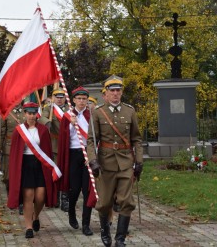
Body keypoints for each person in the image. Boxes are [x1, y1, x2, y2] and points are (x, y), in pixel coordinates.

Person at [87, 75, 143, 247]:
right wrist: (93, 161)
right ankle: (105, 231)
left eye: (118, 90)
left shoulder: (130, 111)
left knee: (127, 202)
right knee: (104, 203)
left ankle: (120, 239)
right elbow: (91, 140)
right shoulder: (97, 112)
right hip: (105, 163)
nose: (116, 94)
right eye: (112, 91)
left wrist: (139, 161)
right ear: (106, 93)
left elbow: (136, 139)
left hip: (126, 162)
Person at [7, 102, 58, 239]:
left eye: (33, 113)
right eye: (29, 113)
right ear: (25, 114)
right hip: (26, 165)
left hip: (40, 165)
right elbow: (15, 153)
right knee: (28, 196)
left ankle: (36, 216)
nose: (31, 116)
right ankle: (29, 227)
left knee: (41, 196)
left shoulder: (43, 130)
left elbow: (48, 151)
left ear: (37, 114)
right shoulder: (19, 131)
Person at [57, 87, 95, 236]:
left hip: (87, 154)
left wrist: (92, 157)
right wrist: (71, 125)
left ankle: (86, 224)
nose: (81, 101)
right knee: (74, 189)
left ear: (87, 100)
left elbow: (95, 137)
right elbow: (63, 138)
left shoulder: (91, 115)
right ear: (73, 100)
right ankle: (71, 212)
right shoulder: (67, 116)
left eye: (84, 99)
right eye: (79, 99)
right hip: (73, 154)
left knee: (87, 190)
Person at [39, 87, 70, 211]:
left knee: (66, 171)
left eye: (62, 97)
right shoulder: (49, 109)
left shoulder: (70, 109)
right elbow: (41, 118)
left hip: (67, 144)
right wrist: (47, 122)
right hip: (55, 144)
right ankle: (55, 197)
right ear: (53, 98)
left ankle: (65, 198)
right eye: (57, 97)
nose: (59, 99)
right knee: (56, 171)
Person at [0, 103, 24, 212]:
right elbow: (0, 132)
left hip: (24, 148)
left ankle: (21, 202)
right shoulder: (6, 113)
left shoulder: (27, 111)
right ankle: (11, 198)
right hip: (9, 148)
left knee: (22, 175)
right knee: (8, 176)